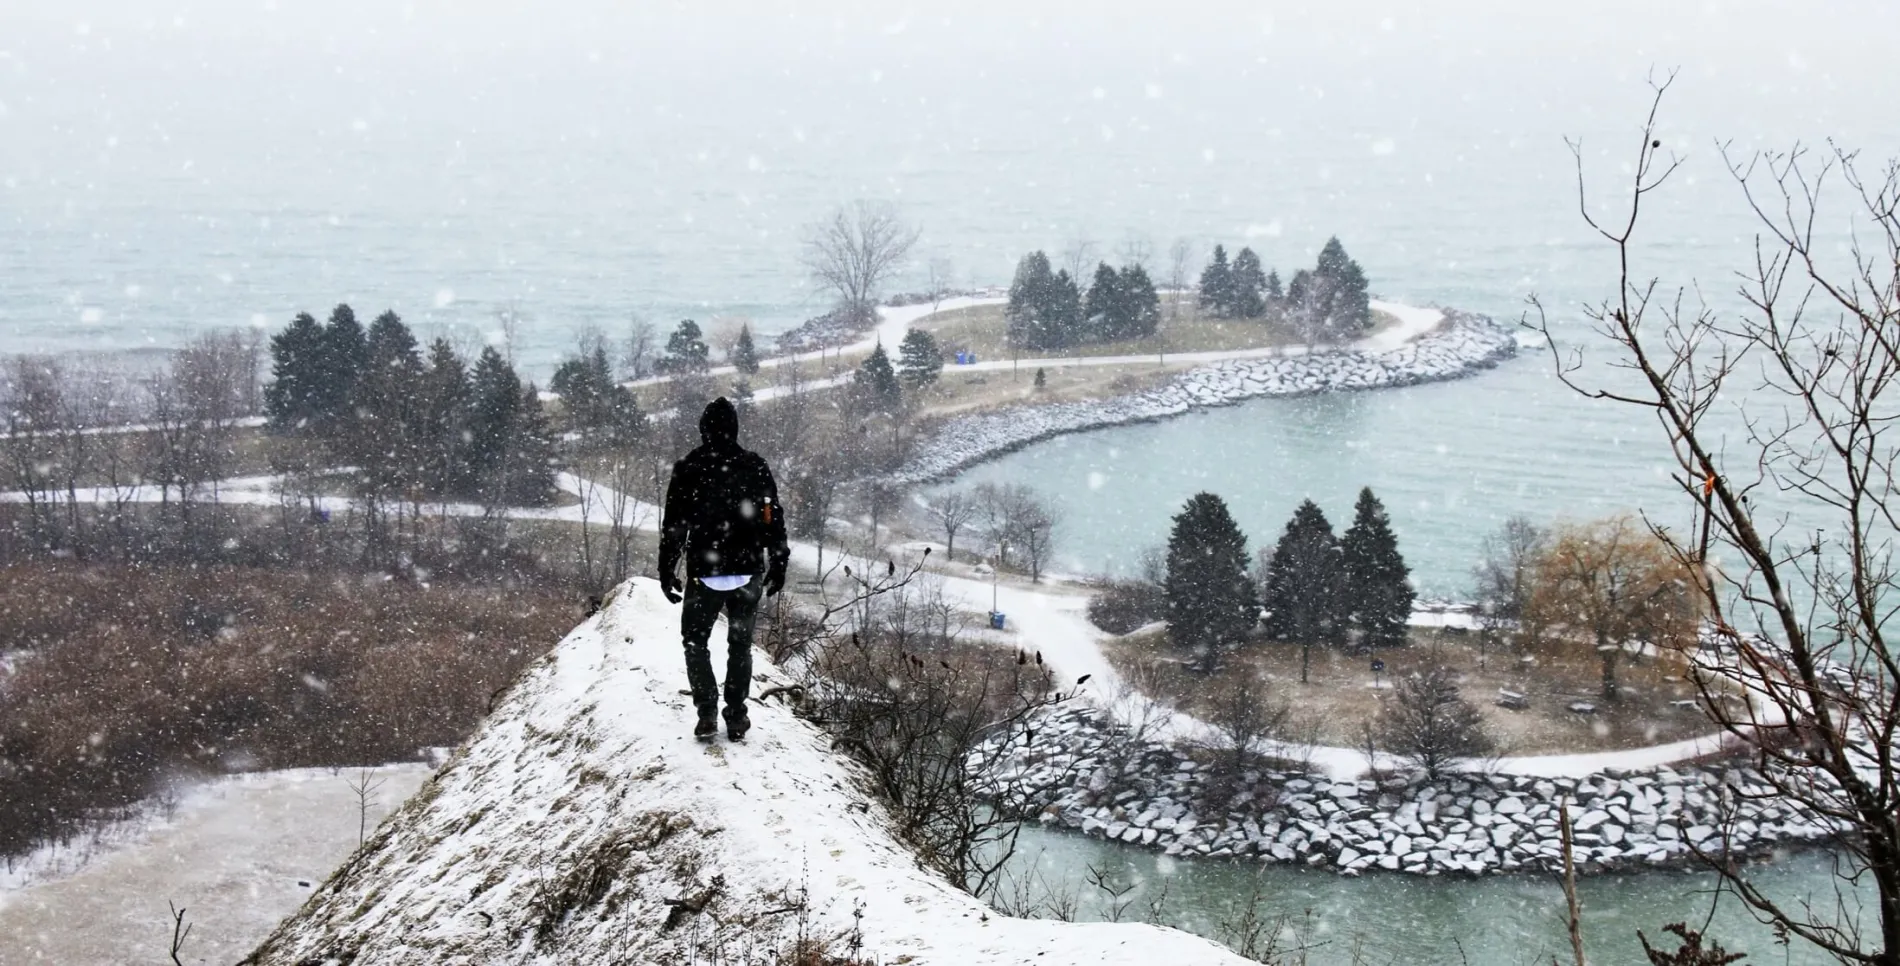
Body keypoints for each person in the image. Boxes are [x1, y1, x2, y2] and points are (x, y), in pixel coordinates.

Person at [658, 397, 790, 740]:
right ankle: (736, 716)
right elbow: (773, 516)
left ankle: (706, 714)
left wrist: (666, 568)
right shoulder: (755, 465)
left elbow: (674, 526)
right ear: (734, 428)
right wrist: (779, 561)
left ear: (703, 429)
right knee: (740, 646)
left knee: (694, 642)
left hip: (705, 572)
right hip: (747, 571)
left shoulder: (688, 467)